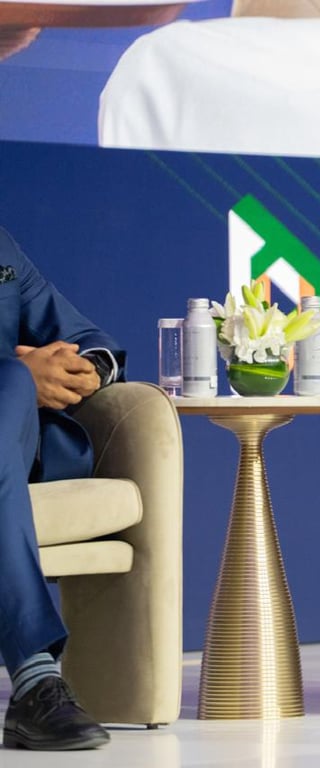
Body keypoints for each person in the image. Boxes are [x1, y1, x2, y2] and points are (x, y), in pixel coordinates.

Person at [1, 226, 124, 750]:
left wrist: (85, 370)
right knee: (11, 380)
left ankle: (36, 683)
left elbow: (82, 334)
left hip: (17, 445)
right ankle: (35, 678)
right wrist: (20, 376)